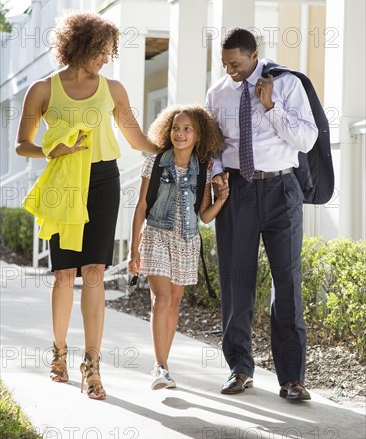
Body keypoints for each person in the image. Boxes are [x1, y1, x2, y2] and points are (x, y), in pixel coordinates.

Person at [16, 11, 157, 400]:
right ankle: (59, 353)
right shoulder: (42, 90)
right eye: (102, 50)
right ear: (80, 45)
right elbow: (21, 144)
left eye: (109, 51)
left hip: (102, 181)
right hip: (64, 182)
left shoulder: (113, 89)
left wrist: (173, 147)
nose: (107, 58)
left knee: (94, 270)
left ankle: (92, 365)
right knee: (65, 273)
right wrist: (52, 149)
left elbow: (136, 138)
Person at [206, 27, 318, 401]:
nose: (230, 71)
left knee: (286, 282)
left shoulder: (286, 86)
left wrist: (271, 107)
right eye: (225, 64)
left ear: (255, 55)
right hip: (237, 191)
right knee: (236, 281)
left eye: (235, 64)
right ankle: (239, 368)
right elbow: (215, 144)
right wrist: (217, 171)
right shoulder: (218, 92)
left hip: (281, 189)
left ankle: (292, 379)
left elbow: (305, 139)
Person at [128, 105, 227, 389]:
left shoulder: (203, 170)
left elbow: (205, 216)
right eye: (175, 128)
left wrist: (220, 199)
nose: (180, 134)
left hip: (187, 240)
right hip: (157, 234)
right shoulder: (156, 162)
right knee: (160, 299)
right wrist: (134, 249)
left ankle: (164, 366)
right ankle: (159, 367)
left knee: (173, 303)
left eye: (187, 129)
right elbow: (142, 205)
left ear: (198, 135)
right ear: (166, 131)